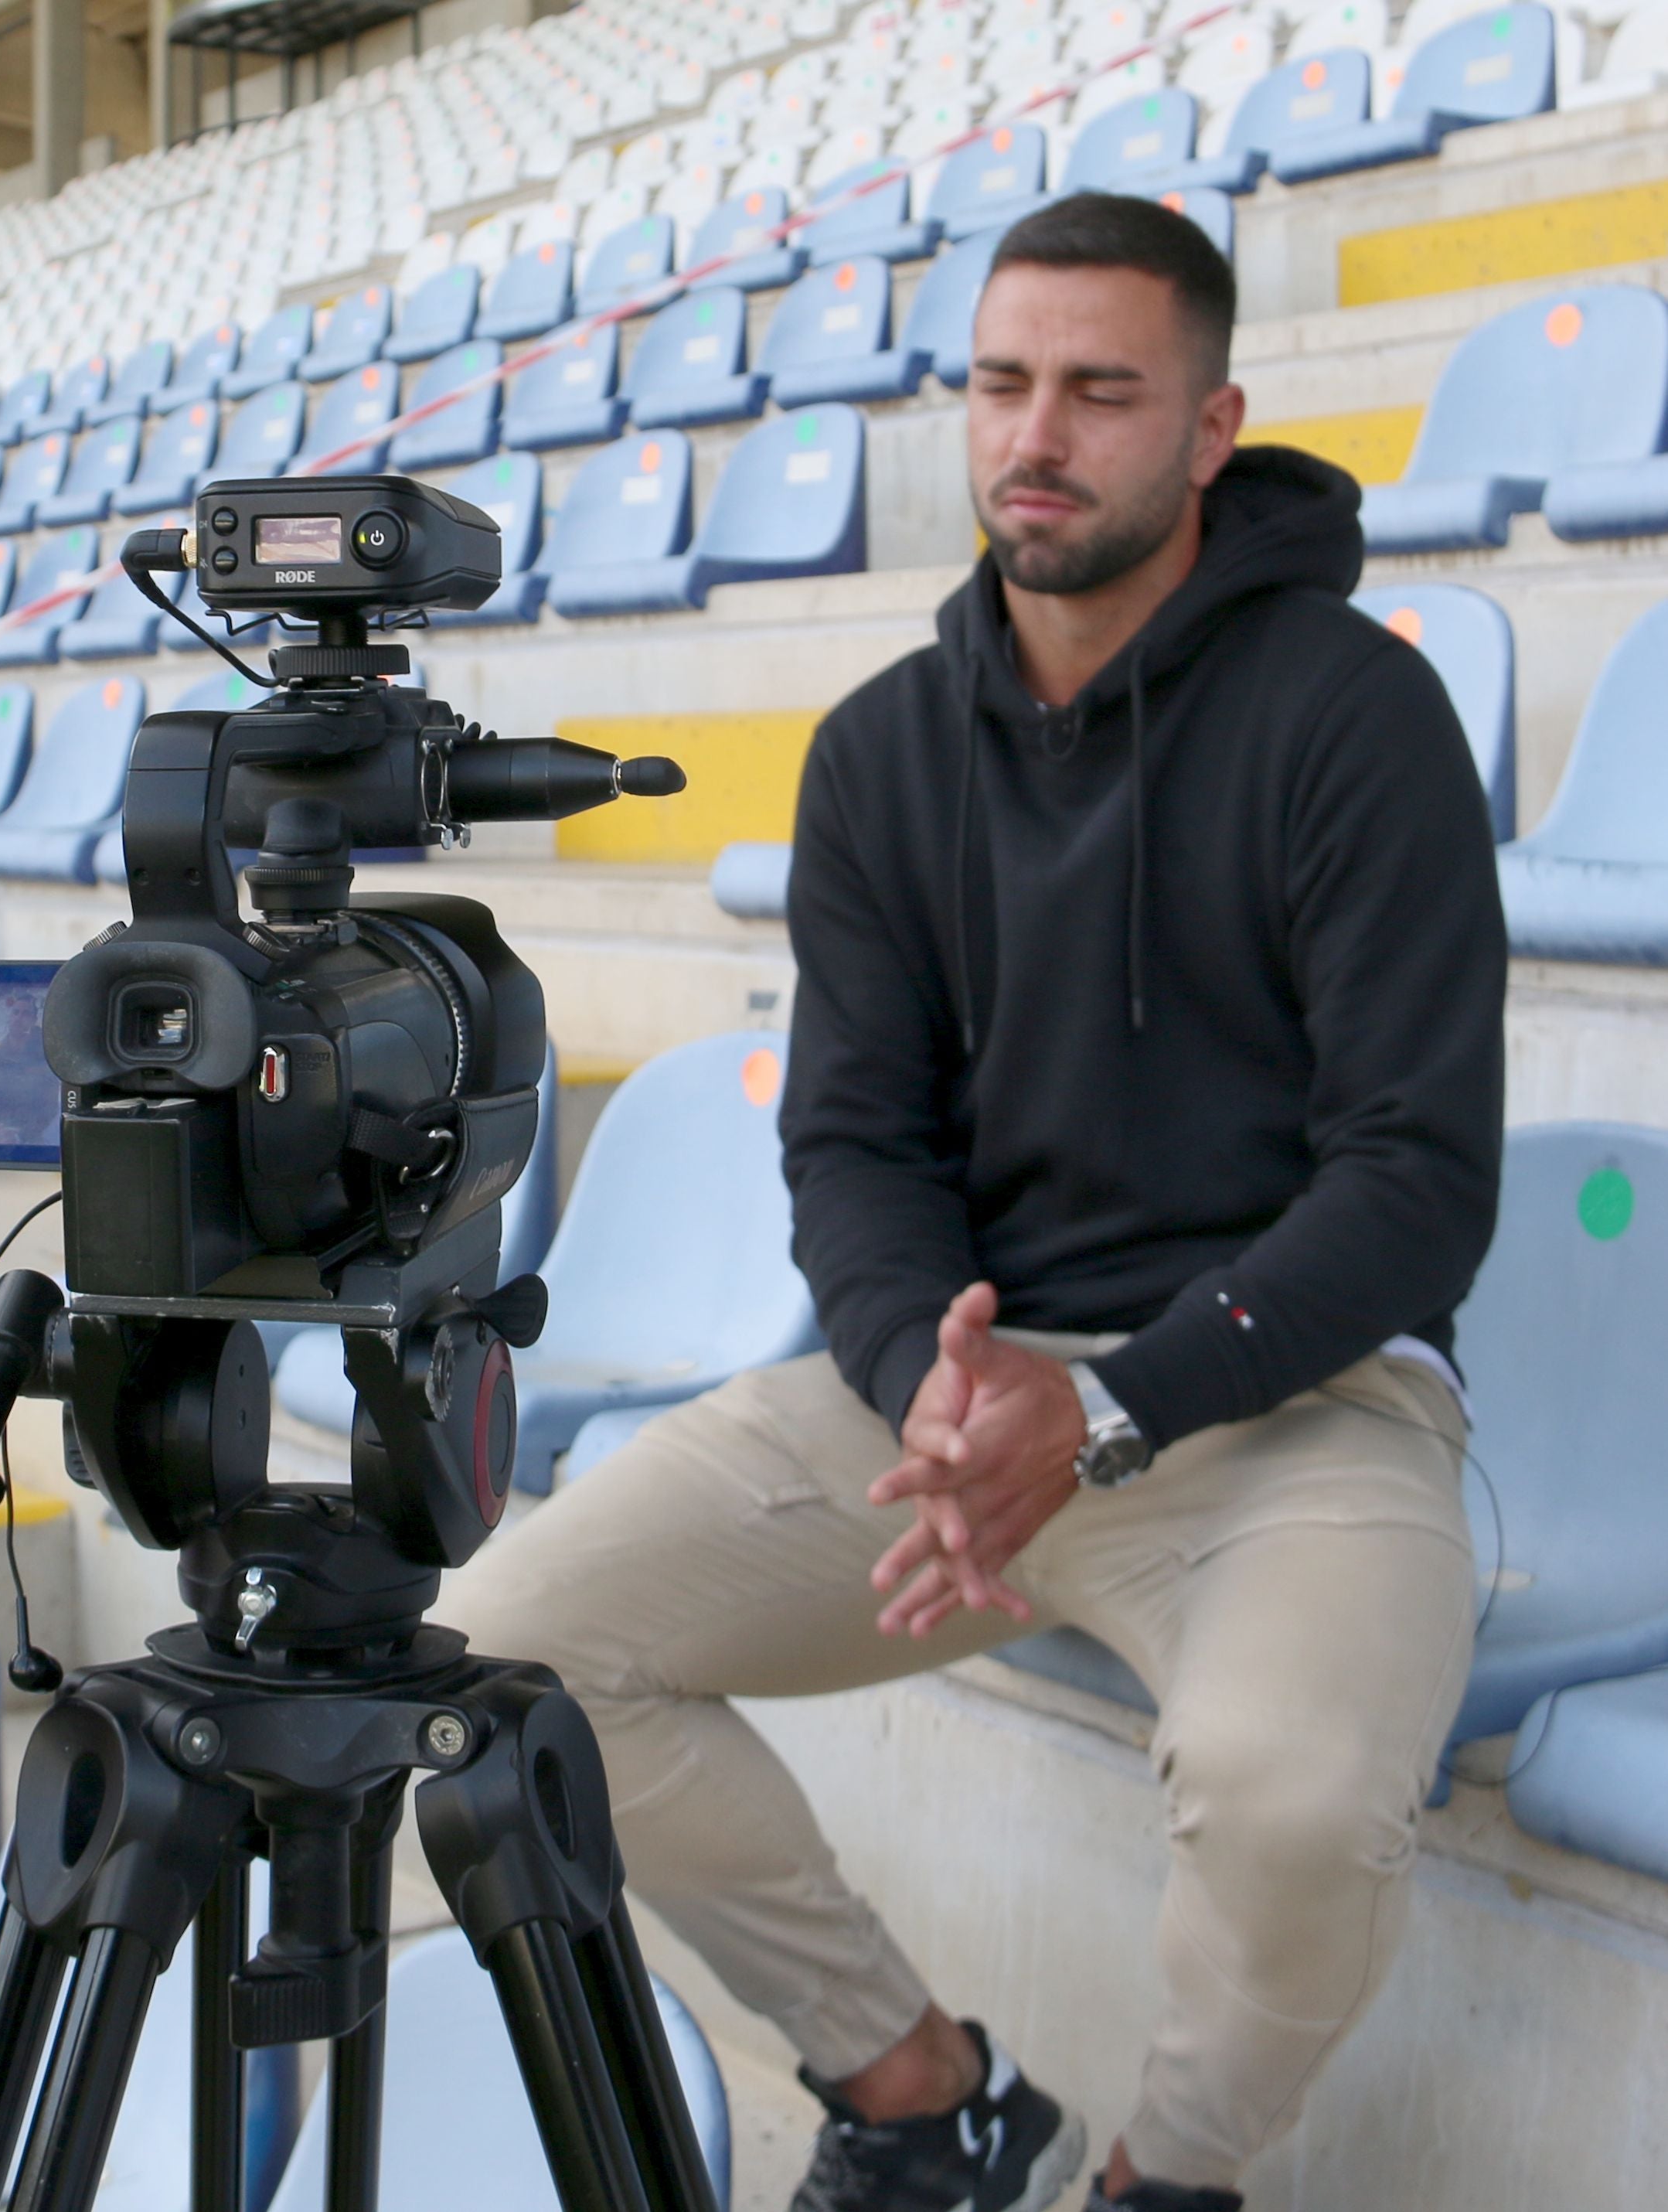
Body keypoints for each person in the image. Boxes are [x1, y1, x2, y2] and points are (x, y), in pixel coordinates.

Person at [444, 193, 1503, 2212]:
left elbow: (1418, 1186)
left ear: (1211, 427)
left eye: (1106, 392)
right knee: (503, 1652)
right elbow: (853, 1150)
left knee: (1294, 1794)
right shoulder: (881, 758)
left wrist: (1100, 1417)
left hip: (1300, 1402)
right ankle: (919, 2099)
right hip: (955, 1394)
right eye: (1006, 384)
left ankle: (1164, 2182)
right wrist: (925, 1384)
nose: (1041, 434)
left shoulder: (1355, 720)